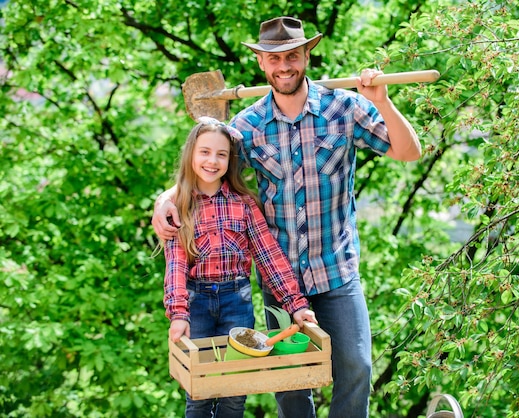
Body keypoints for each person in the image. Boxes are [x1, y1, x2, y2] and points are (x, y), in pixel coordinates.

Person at [153, 16, 422, 418]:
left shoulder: (344, 109)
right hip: (281, 278)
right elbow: (208, 170)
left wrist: (382, 100)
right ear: (262, 62)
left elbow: (408, 151)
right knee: (291, 384)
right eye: (274, 58)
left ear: (306, 55)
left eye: (292, 56)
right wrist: (166, 197)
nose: (284, 67)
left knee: (356, 366)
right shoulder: (247, 127)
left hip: (336, 270)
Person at [162, 116, 317, 418]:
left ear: (229, 161)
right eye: (204, 152)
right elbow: (176, 266)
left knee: (235, 392)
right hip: (197, 304)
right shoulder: (178, 206)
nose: (212, 160)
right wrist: (178, 314)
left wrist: (295, 305)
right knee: (200, 392)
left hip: (237, 302)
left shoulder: (244, 203)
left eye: (221, 154)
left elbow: (269, 256)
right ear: (191, 154)